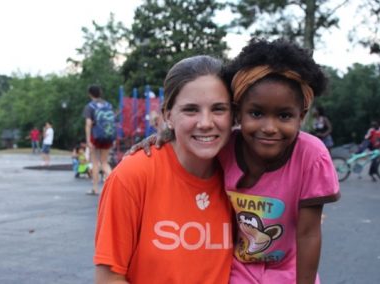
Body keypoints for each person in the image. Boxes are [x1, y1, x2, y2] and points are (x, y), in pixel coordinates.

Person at [131, 39, 341, 283]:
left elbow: (308, 234)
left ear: (301, 116)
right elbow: (195, 136)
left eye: (284, 115)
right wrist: (165, 135)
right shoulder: (227, 146)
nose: (270, 127)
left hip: (290, 272)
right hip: (239, 271)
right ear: (238, 112)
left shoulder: (311, 157)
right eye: (257, 113)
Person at [93, 55, 234, 283]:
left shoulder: (244, 175)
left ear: (233, 115)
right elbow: (108, 278)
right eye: (190, 110)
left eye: (219, 109)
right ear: (168, 115)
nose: (206, 122)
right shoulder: (132, 175)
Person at [83, 85, 114, 195]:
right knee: (105, 162)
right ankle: (115, 186)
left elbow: (88, 124)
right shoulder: (108, 105)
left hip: (96, 137)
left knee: (95, 163)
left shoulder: (90, 107)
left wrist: (88, 140)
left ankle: (95, 188)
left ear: (90, 94)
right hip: (108, 136)